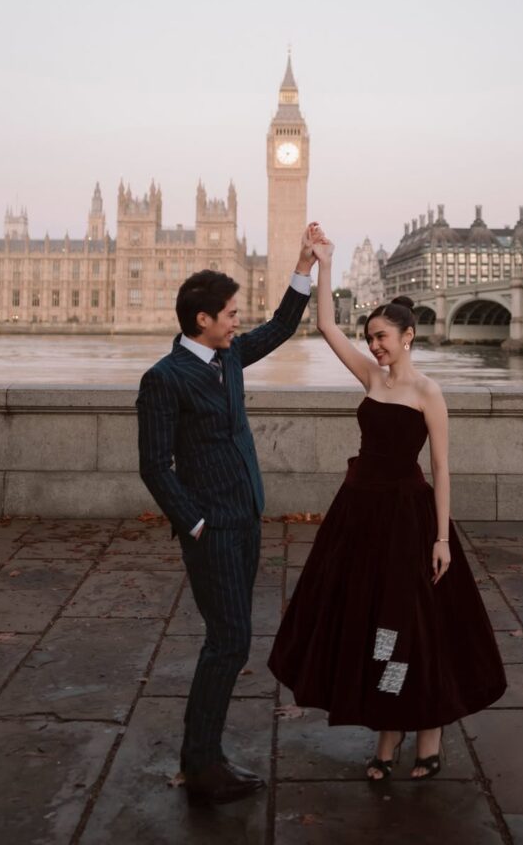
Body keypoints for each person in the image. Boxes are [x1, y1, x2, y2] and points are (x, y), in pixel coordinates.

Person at [268, 236, 507, 780]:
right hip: (359, 516)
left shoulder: (429, 393)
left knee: (407, 627)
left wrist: (442, 537)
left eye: (381, 337)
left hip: (407, 520)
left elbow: (443, 468)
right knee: (373, 623)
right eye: (370, 337)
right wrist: (324, 265)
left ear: (407, 337)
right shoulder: (371, 377)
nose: (374, 346)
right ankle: (387, 734)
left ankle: (426, 732)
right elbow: (327, 326)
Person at [136, 224, 321, 805]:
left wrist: (303, 263)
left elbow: (284, 325)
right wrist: (195, 522)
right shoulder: (164, 379)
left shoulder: (230, 355)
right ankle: (200, 763)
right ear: (202, 321)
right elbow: (154, 466)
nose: (239, 320)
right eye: (232, 313)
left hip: (245, 520)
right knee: (228, 642)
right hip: (211, 529)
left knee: (231, 641)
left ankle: (205, 757)